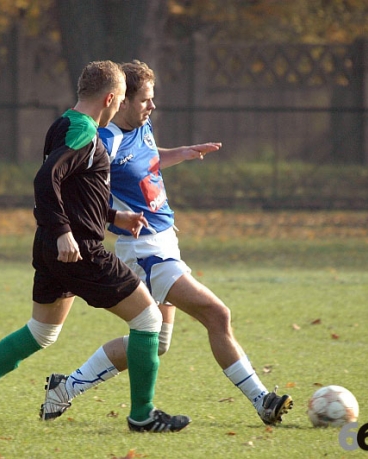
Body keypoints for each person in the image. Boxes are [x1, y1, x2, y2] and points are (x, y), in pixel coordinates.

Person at [0, 60, 191, 433]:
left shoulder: (65, 123)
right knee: (149, 319)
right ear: (109, 98)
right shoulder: (85, 133)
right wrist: (63, 231)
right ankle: (143, 415)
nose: (120, 108)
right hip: (78, 249)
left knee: (42, 333)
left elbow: (72, 189)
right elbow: (46, 179)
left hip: (53, 246)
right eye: (120, 100)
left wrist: (112, 216)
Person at [39, 60, 293, 426]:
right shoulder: (104, 140)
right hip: (144, 252)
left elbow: (148, 161)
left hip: (166, 243)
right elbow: (80, 189)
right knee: (217, 314)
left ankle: (65, 388)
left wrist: (183, 153)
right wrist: (104, 219)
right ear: (121, 101)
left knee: (154, 342)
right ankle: (262, 400)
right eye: (144, 100)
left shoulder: (143, 126)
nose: (151, 106)